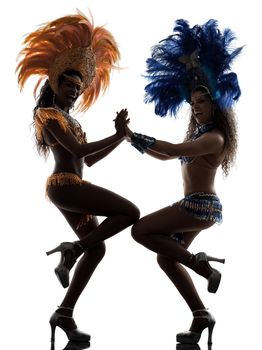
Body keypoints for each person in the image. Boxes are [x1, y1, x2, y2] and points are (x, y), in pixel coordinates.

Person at [16, 11, 139, 344]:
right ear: (55, 85)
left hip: (73, 187)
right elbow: (78, 153)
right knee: (131, 213)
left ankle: (64, 313)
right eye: (68, 85)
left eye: (77, 87)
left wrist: (120, 136)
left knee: (97, 249)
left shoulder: (75, 122)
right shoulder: (47, 114)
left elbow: (92, 159)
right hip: (64, 186)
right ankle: (72, 251)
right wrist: (116, 137)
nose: (73, 91)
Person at [122, 19, 242, 346]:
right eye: (193, 103)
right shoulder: (200, 134)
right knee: (165, 257)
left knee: (140, 230)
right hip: (194, 207)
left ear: (214, 104)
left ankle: (205, 270)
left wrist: (134, 135)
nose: (197, 107)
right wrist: (130, 138)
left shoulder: (215, 138)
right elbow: (166, 156)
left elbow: (173, 150)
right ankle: (200, 315)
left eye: (202, 101)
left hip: (200, 205)